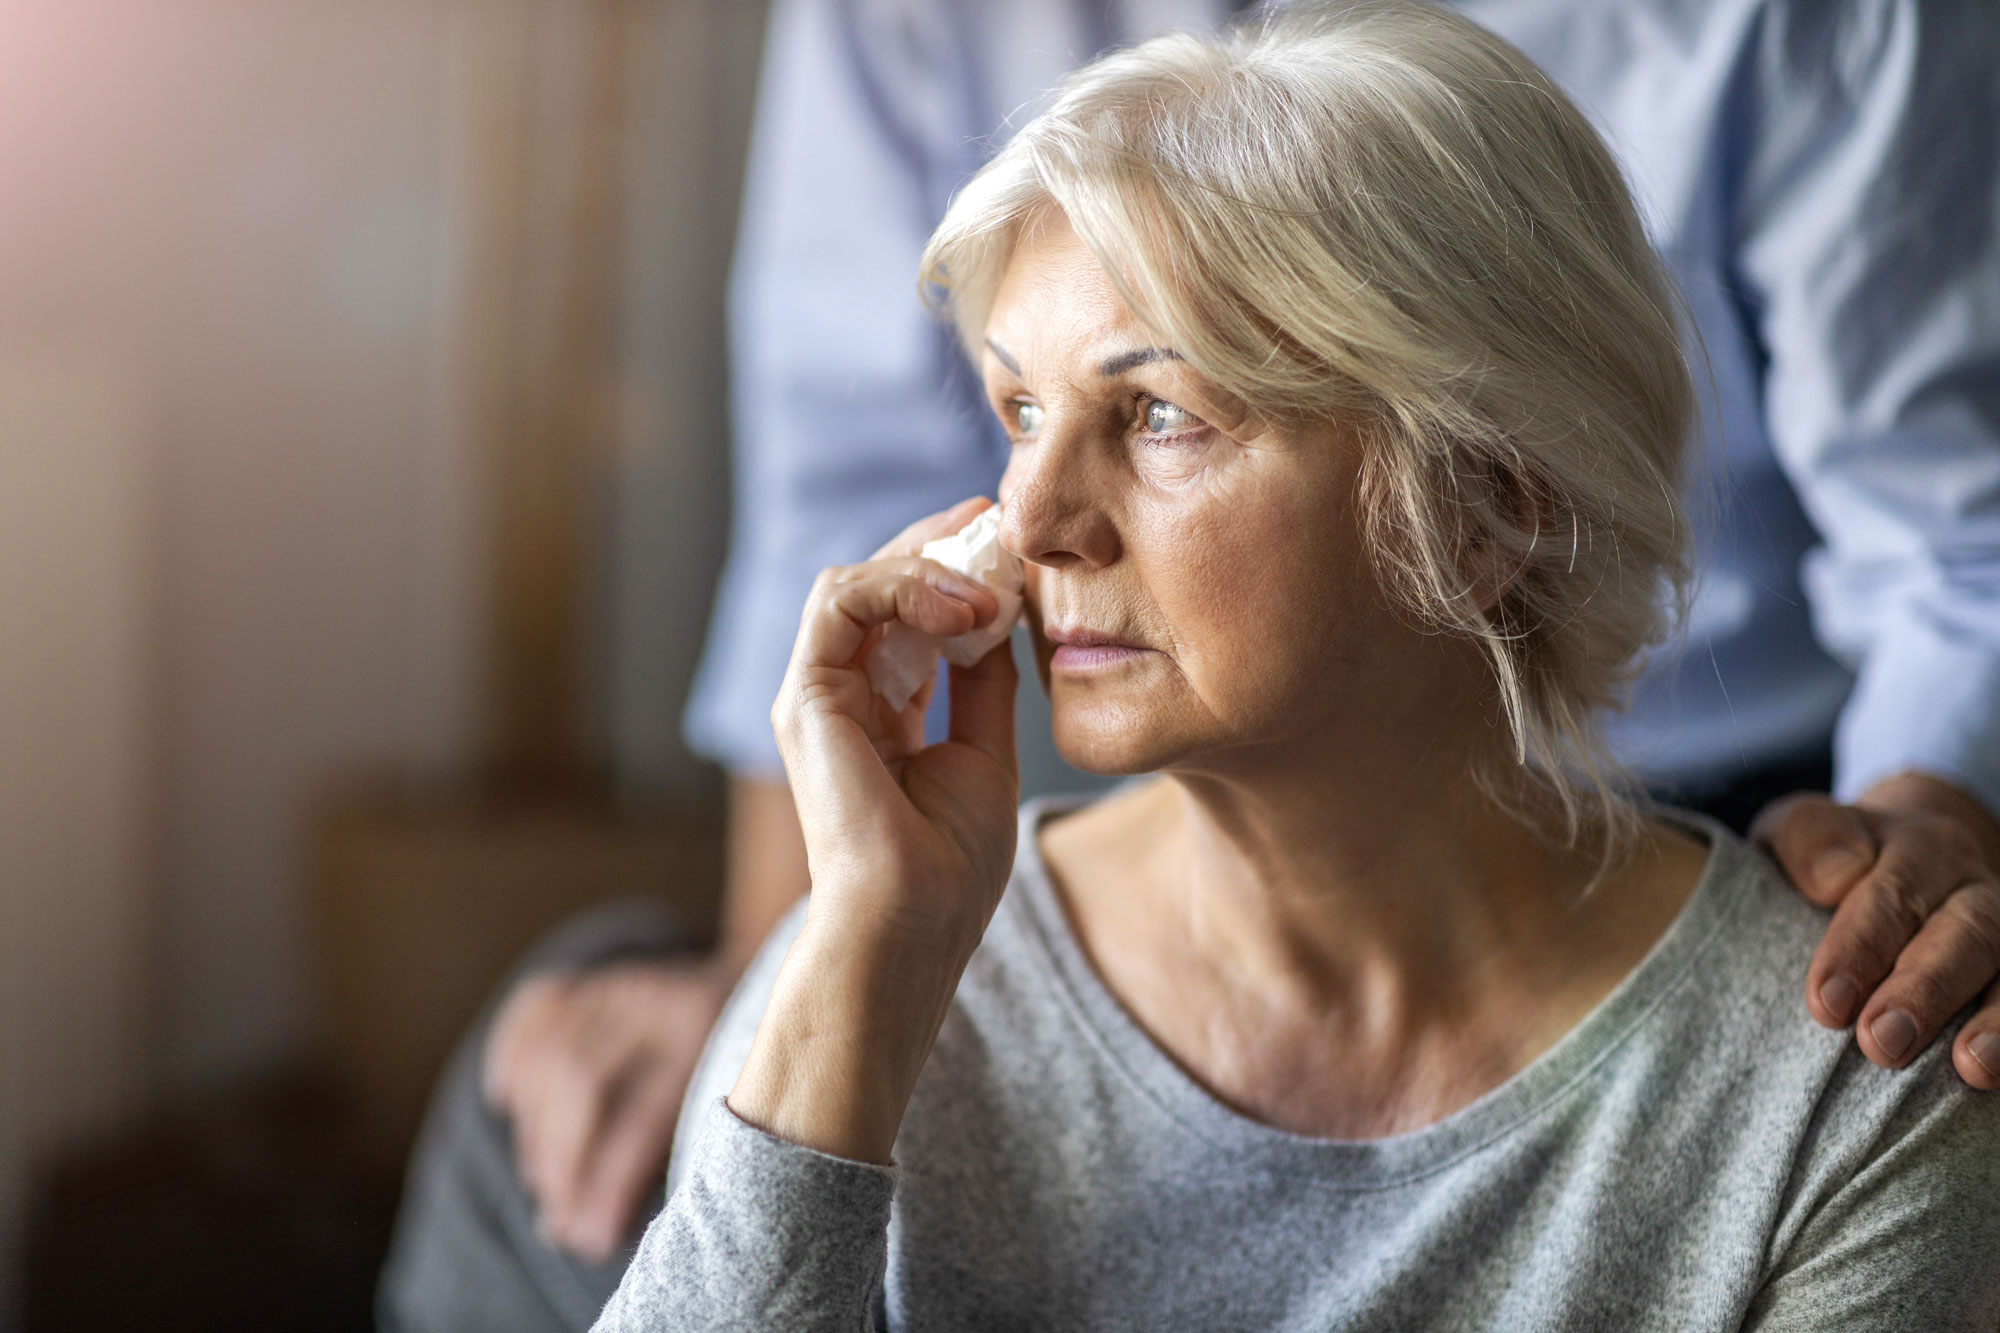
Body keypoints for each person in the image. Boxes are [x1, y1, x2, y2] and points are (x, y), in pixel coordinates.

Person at [378, 1, 2000, 1327]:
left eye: (1161, 414)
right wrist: (820, 975)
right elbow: (832, 450)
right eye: (1017, 412)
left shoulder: (1841, 1102)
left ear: (1488, 510)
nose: (1025, 526)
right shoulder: (890, 983)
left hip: (1751, 768)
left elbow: (1955, 528)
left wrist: (1924, 824)